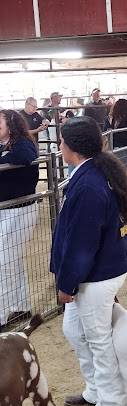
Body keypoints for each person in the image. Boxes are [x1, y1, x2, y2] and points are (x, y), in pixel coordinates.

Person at [50, 116, 127, 406]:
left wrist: (67, 282)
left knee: (98, 338)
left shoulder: (89, 183)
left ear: (73, 148)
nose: (58, 147)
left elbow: (82, 243)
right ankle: (96, 389)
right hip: (99, 269)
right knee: (75, 331)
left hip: (95, 274)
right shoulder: (92, 173)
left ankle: (112, 404)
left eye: (61, 142)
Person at [0, 110, 39, 328]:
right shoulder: (5, 145)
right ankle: (20, 306)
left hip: (19, 210)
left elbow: (25, 158)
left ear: (11, 124)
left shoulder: (22, 143)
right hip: (7, 210)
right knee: (11, 260)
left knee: (4, 262)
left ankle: (2, 315)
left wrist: (4, 159)